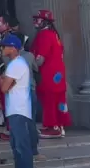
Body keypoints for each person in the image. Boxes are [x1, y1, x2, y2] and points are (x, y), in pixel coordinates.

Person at [0, 35, 36, 168]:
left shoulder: (16, 64)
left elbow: (4, 88)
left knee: (21, 148)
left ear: (13, 48)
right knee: (17, 147)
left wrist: (2, 79)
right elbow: (9, 85)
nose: (2, 48)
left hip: (18, 111)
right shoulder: (16, 63)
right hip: (16, 111)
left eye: (4, 46)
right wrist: (6, 80)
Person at [29, 9, 70, 138]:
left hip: (48, 74)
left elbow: (40, 59)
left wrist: (31, 67)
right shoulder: (54, 34)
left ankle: (53, 127)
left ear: (45, 21)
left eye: (37, 19)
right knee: (58, 100)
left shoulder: (44, 35)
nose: (34, 22)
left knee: (49, 100)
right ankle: (59, 125)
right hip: (58, 74)